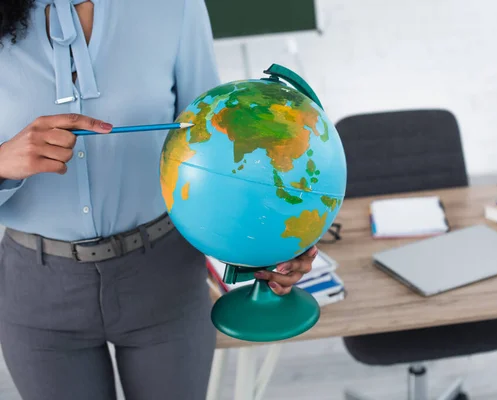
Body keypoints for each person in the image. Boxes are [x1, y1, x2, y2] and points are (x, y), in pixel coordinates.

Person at [0, 1, 317, 399]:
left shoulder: (174, 7)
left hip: (163, 277)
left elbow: (215, 148)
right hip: (37, 289)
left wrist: (275, 241)